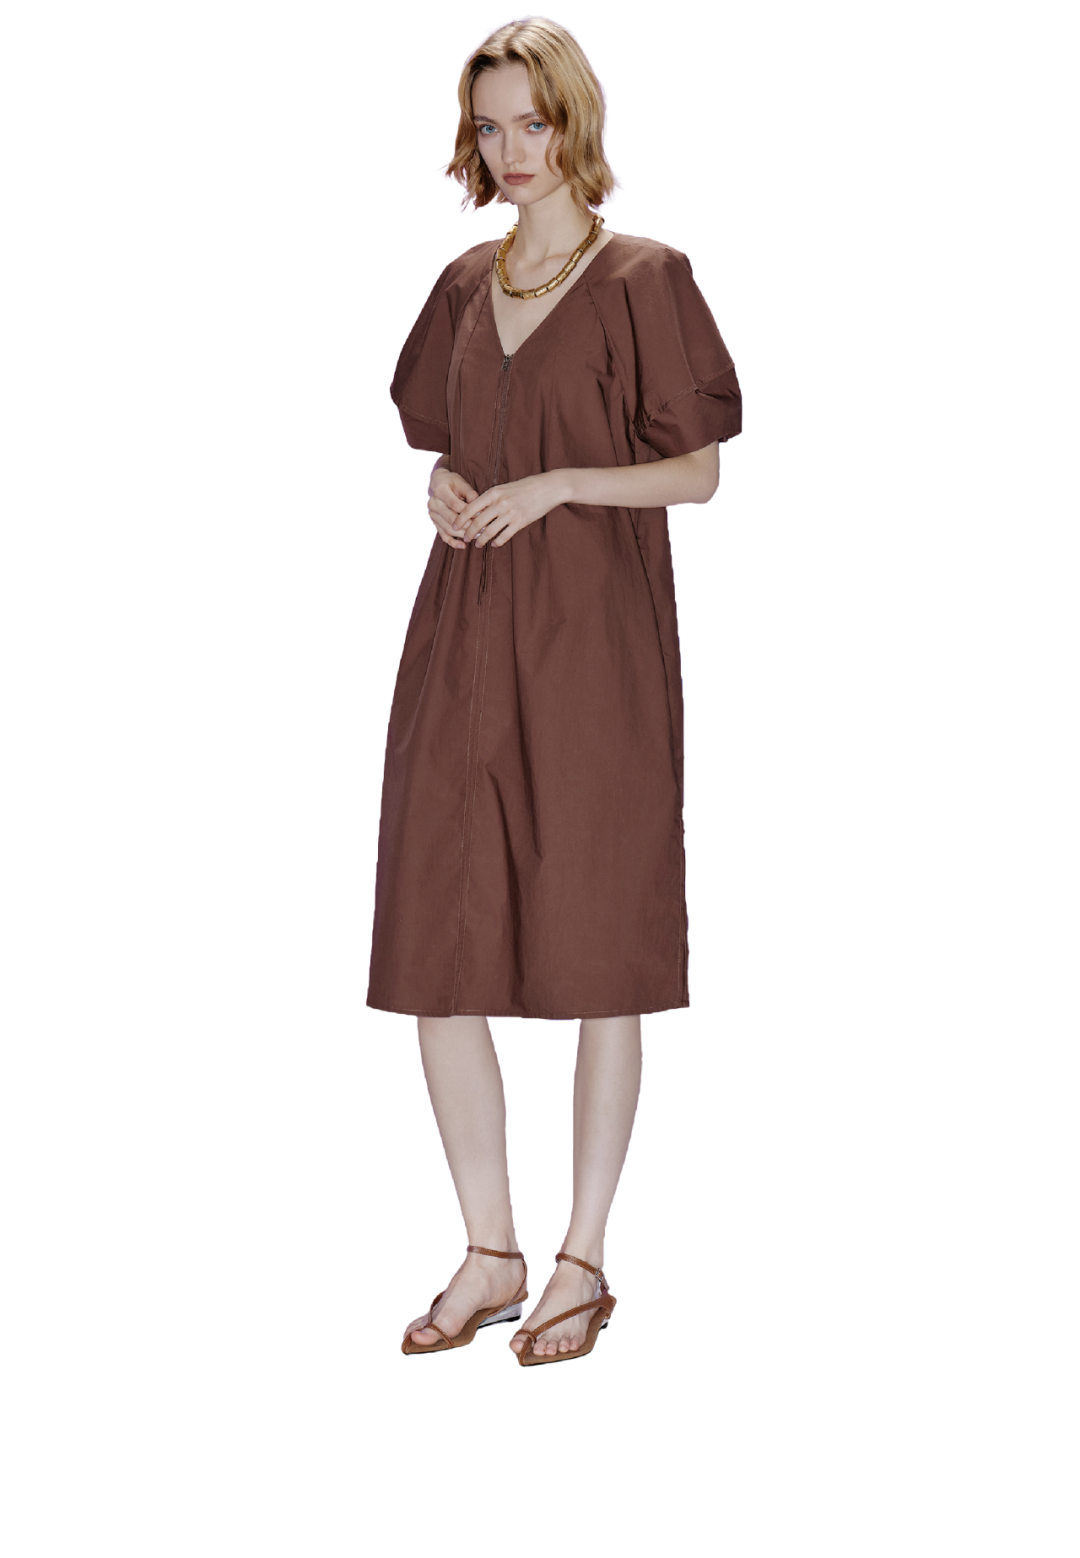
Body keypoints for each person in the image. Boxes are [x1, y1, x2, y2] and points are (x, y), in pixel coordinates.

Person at [376, 19, 742, 1362]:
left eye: (534, 121)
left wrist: (560, 485)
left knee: (601, 948)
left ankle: (583, 1258)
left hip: (594, 645)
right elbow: (443, 444)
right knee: (433, 942)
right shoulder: (460, 282)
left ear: (577, 122)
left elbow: (700, 472)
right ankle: (490, 1250)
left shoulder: (649, 275)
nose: (512, 149)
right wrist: (444, 485)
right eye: (491, 125)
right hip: (462, 633)